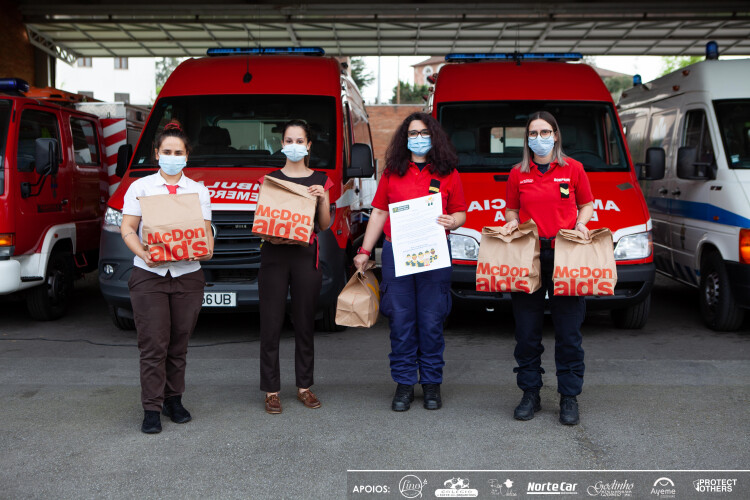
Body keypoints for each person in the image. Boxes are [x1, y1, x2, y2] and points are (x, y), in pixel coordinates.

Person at [353, 112, 467, 411]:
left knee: (431, 321)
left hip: (434, 255)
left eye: (424, 132)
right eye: (413, 133)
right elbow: (378, 212)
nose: (419, 138)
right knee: (401, 322)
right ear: (405, 139)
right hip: (397, 253)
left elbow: (460, 212)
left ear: (435, 136)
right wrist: (364, 251)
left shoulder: (448, 173)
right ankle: (404, 384)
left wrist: (452, 220)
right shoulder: (392, 172)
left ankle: (431, 384)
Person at [120, 122, 213, 434]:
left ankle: (174, 399)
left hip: (187, 276)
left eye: (179, 152)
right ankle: (151, 408)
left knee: (178, 344)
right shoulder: (141, 188)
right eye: (167, 152)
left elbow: (205, 235)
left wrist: (204, 246)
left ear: (187, 156)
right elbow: (127, 228)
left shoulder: (198, 191)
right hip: (149, 275)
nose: (173, 156)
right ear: (156, 153)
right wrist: (143, 252)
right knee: (153, 345)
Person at [503, 111, 594, 425]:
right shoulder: (518, 173)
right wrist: (512, 223)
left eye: (544, 132)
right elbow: (511, 209)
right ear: (526, 138)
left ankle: (569, 396)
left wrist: (582, 225)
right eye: (532, 132)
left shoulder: (574, 169)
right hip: (529, 255)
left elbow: (586, 204)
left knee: (569, 332)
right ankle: (530, 393)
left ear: (556, 135)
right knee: (527, 332)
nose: (538, 138)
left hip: (565, 253)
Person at [258, 119, 333, 415]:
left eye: (299, 140)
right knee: (271, 324)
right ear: (281, 144)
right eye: (288, 140)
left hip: (305, 255)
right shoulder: (270, 180)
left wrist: (323, 199)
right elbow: (261, 222)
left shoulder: (321, 180)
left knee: (304, 323)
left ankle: (304, 386)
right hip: (274, 255)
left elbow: (324, 225)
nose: (293, 145)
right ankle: (271, 391)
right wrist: (271, 230)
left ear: (309, 145)